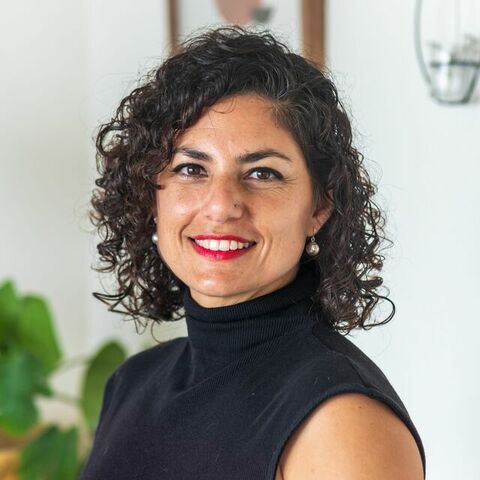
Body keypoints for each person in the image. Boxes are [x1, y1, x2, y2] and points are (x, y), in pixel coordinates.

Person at [80, 25, 426, 480]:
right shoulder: (131, 383)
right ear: (151, 194)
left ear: (318, 208)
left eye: (263, 174)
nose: (222, 205)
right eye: (191, 168)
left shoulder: (342, 421)